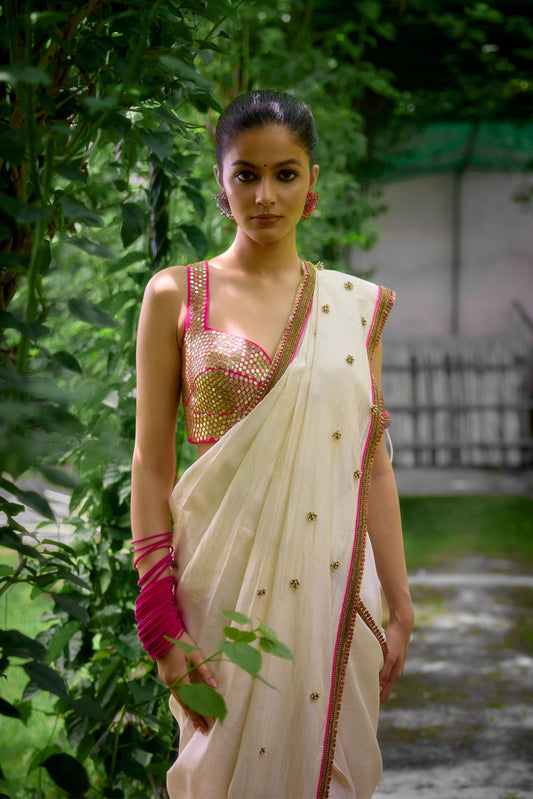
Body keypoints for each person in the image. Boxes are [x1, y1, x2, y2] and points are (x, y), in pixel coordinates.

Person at [131, 90, 414, 799]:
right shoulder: (176, 294)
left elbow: (371, 460)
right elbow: (151, 460)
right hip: (217, 589)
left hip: (329, 589)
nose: (265, 194)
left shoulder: (354, 307)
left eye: (285, 173)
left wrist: (401, 598)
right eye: (246, 174)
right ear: (221, 185)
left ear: (312, 183)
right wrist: (157, 615)